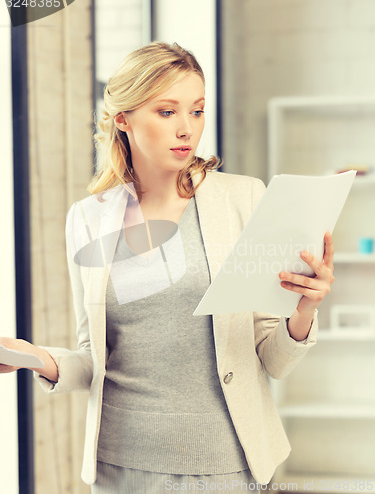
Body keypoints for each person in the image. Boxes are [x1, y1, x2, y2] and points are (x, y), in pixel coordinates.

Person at [0, 41, 335, 493]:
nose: (187, 129)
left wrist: (304, 310)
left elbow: (272, 361)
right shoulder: (88, 217)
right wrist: (37, 359)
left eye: (196, 111)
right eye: (166, 112)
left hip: (225, 465)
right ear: (123, 118)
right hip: (119, 469)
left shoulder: (244, 199)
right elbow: (95, 357)